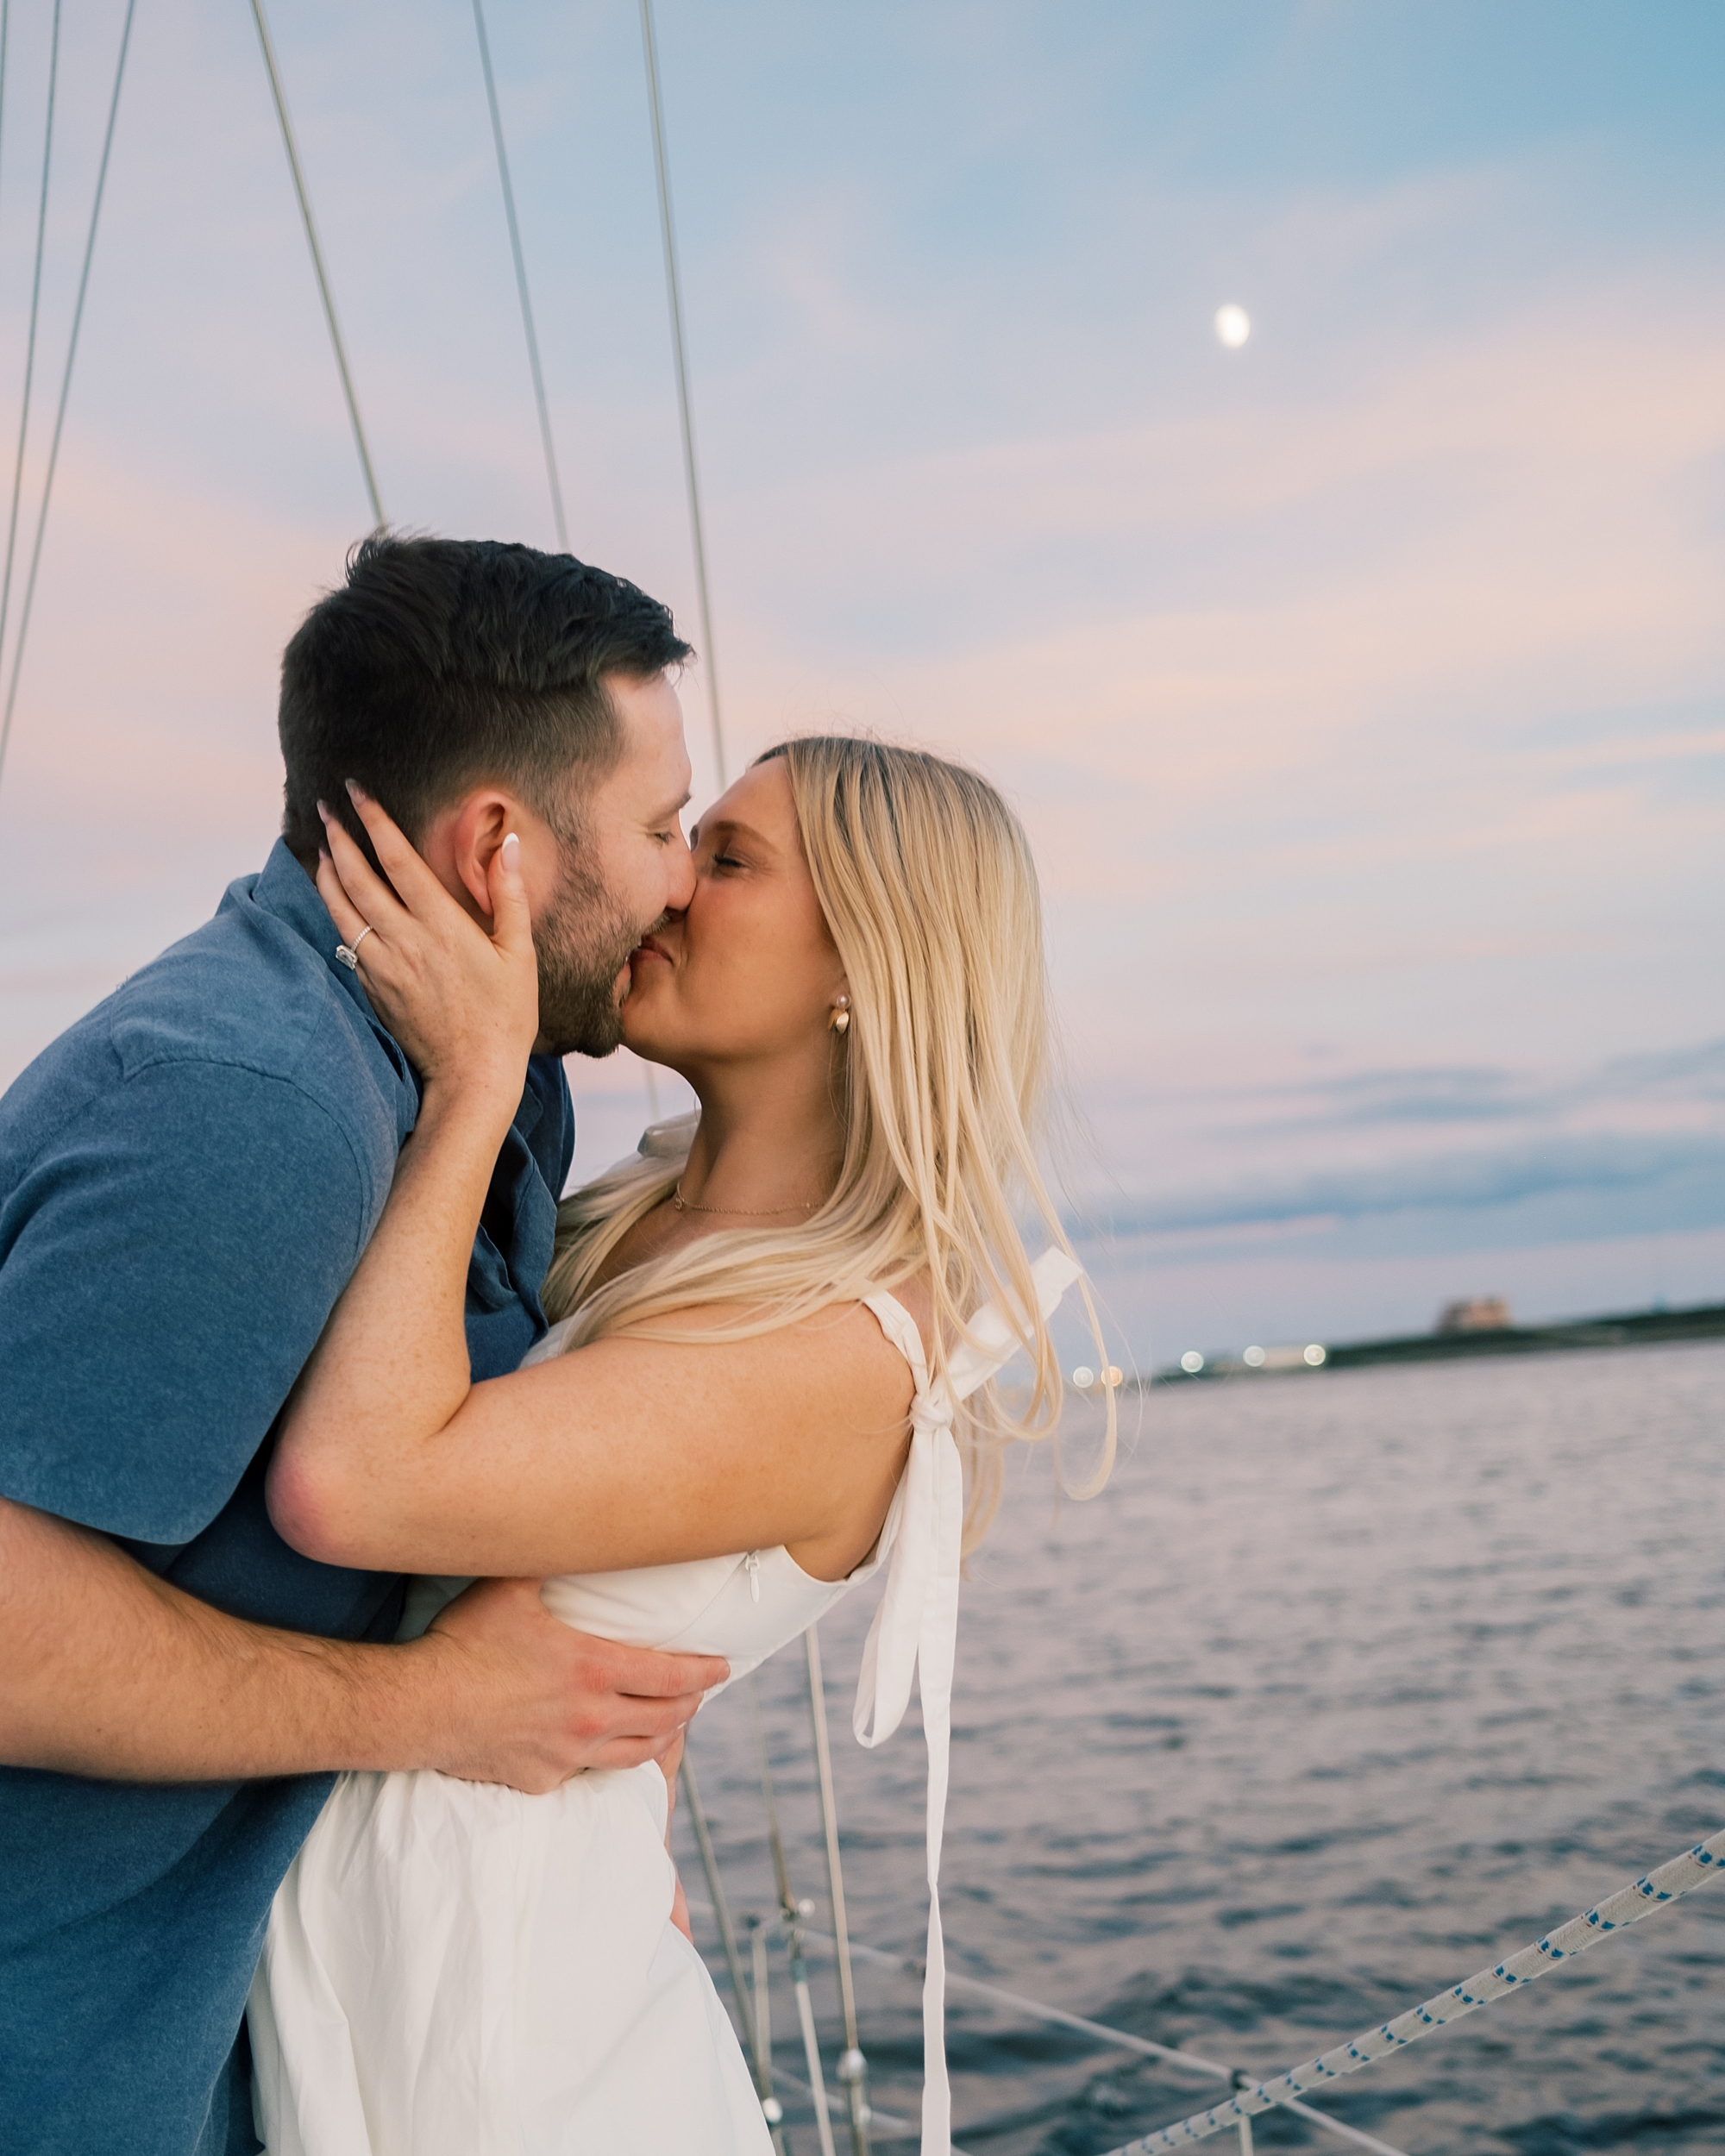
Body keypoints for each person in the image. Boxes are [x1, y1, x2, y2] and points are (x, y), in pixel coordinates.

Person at [247, 735, 1117, 2155]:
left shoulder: (845, 1350)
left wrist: (475, 1077)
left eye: (728, 860)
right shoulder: (634, 1218)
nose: (662, 887)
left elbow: (357, 1486)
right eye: (682, 842)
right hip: (392, 1950)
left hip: (504, 2039)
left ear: (865, 960)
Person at [0, 536, 729, 2156]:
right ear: (502, 852)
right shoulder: (256, 1105)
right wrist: (431, 1711)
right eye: (668, 827)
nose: (683, 878)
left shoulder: (481, 1080)